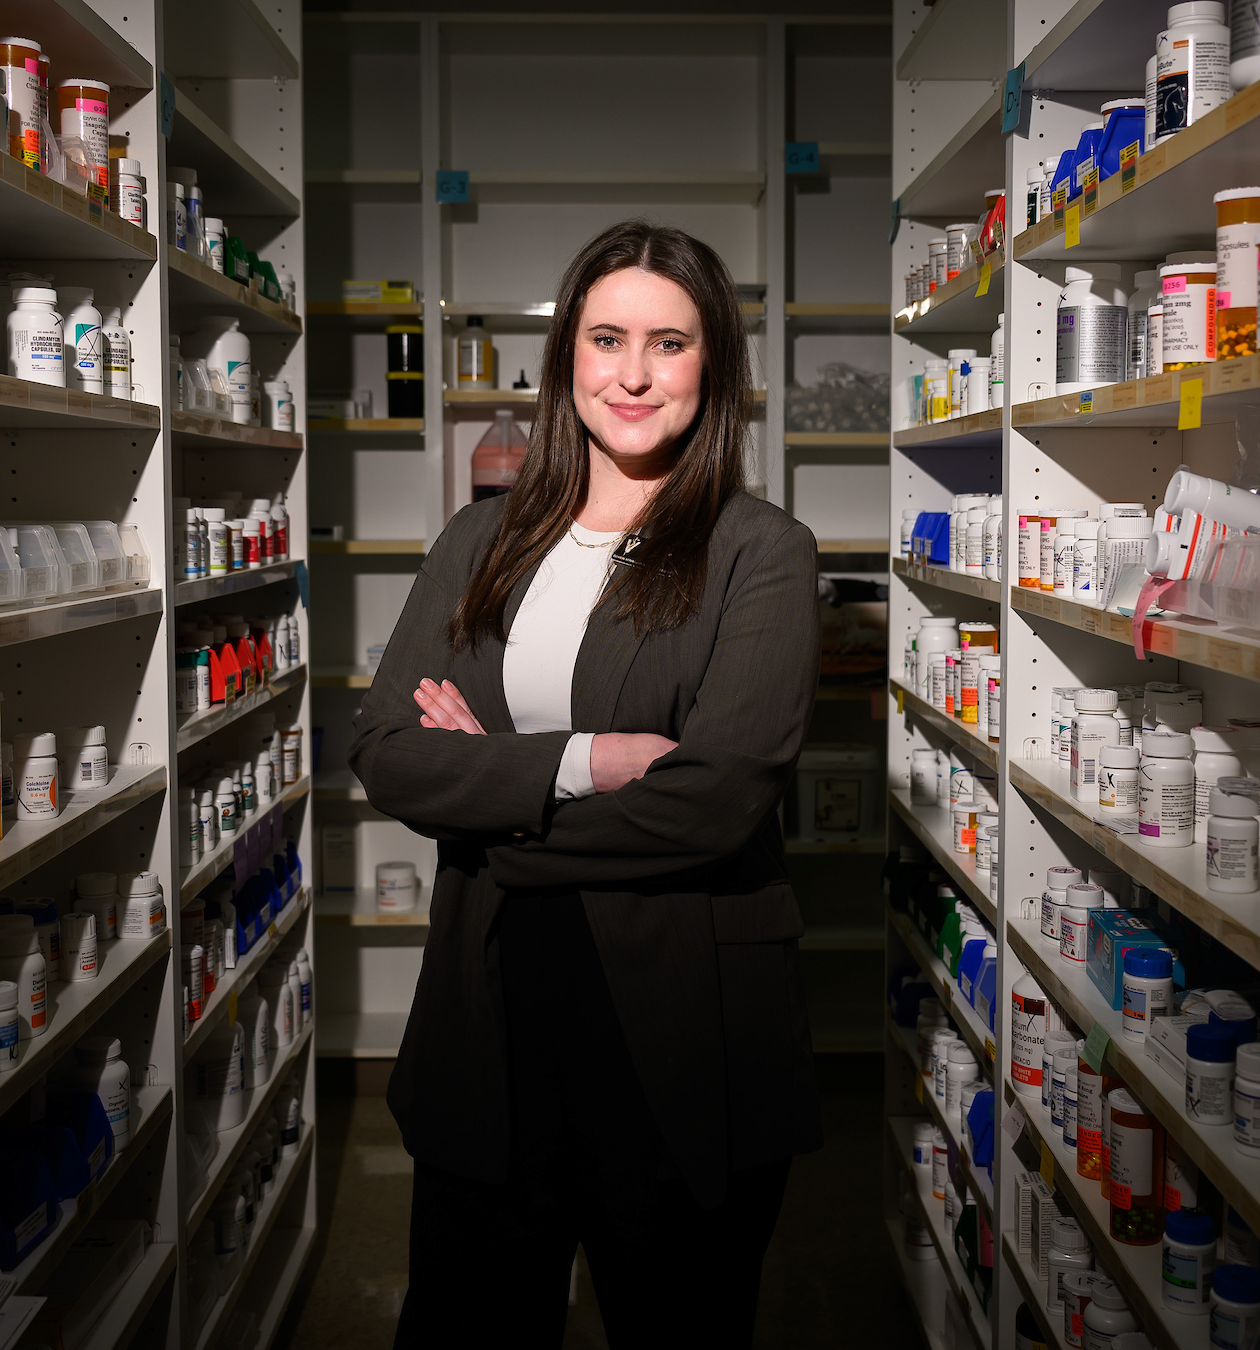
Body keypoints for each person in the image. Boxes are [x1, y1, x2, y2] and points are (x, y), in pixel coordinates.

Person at [351, 220, 823, 1346]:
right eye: (608, 338)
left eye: (670, 342)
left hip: (682, 1021)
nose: (633, 372)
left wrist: (488, 802)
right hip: (492, 1003)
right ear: (568, 355)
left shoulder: (762, 550)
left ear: (713, 369)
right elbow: (383, 749)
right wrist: (583, 762)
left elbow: (715, 802)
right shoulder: (480, 540)